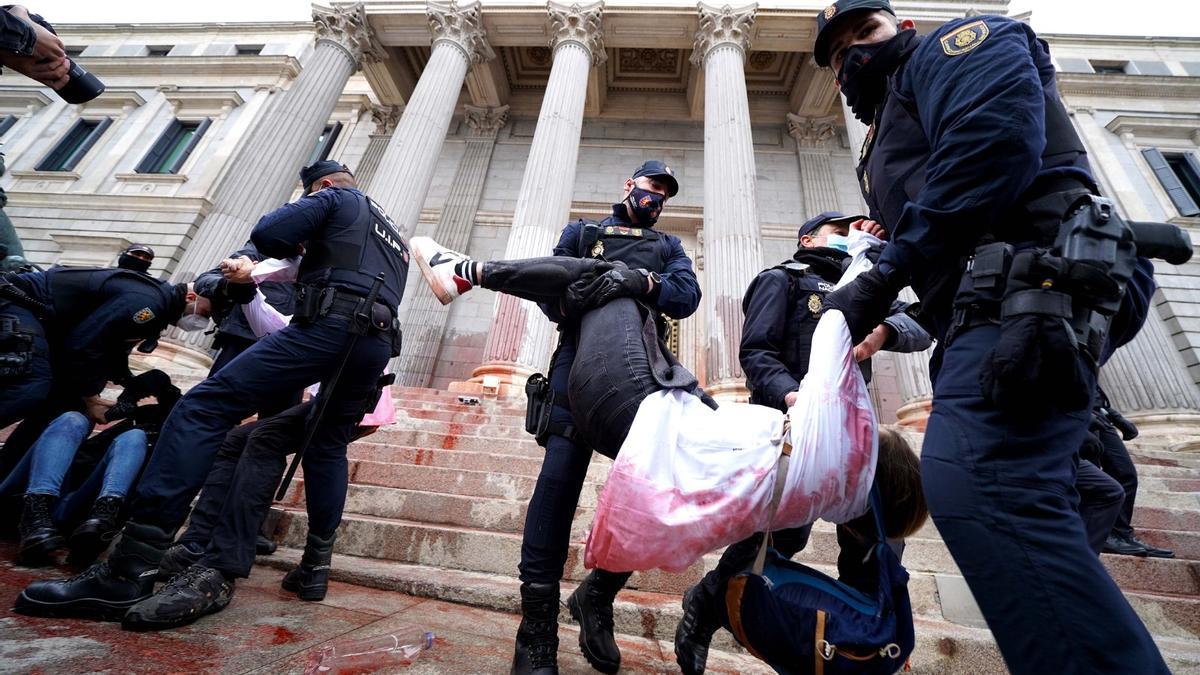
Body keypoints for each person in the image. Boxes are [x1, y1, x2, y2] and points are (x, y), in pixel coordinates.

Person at [814, 2, 1168, 671]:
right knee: (1000, 485)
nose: (852, 54)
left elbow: (993, 143)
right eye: (837, 51)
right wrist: (893, 307)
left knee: (985, 481)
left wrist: (884, 273)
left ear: (901, 27)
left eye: (865, 33)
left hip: (1035, 283)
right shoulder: (890, 121)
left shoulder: (951, 45)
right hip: (994, 302)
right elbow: (950, 236)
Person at [14, 160, 408, 626]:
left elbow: (270, 232)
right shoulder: (392, 235)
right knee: (325, 448)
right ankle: (316, 565)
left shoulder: (335, 198)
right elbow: (295, 266)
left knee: (201, 409)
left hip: (329, 325)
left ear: (319, 187)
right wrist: (248, 279)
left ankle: (128, 569)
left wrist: (278, 240)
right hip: (376, 343)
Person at [412, 160, 700, 675]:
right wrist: (582, 294)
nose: (655, 196)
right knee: (558, 484)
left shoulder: (669, 248)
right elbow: (550, 292)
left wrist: (638, 281)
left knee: (653, 489)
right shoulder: (583, 231)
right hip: (576, 364)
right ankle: (537, 628)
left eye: (664, 192)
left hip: (645, 366)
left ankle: (597, 595)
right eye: (651, 185)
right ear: (627, 183)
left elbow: (685, 298)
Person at [674, 212, 932, 674]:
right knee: (782, 536)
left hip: (852, 439)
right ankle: (709, 602)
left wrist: (884, 332)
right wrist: (797, 397)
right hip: (791, 430)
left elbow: (920, 325)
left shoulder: (867, 288)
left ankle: (863, 649)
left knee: (877, 549)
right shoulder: (782, 279)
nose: (859, 234)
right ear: (808, 239)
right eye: (843, 230)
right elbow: (756, 353)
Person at [1, 369, 180, 566]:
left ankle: (100, 523)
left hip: (76, 512)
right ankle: (34, 517)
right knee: (73, 419)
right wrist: (124, 405)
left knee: (135, 436)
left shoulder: (159, 440)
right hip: (33, 495)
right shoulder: (114, 422)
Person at [0, 266, 205, 432]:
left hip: (41, 319)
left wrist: (128, 381)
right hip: (16, 302)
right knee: (30, 387)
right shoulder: (150, 304)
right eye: (206, 313)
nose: (204, 321)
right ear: (191, 297)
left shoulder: (160, 306)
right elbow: (83, 345)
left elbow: (109, 349)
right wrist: (91, 398)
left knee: (66, 404)